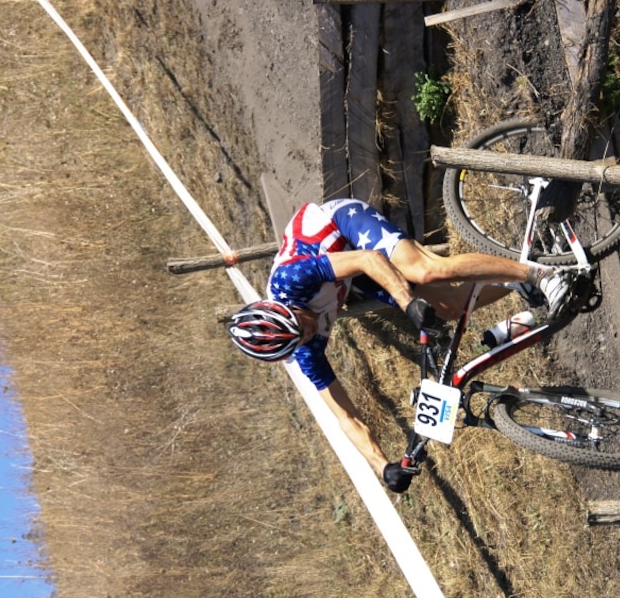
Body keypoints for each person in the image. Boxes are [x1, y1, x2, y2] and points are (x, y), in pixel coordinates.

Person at [228, 198, 574, 493]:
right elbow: (345, 417)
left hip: (340, 229)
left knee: (425, 271)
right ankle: (528, 284)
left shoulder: (291, 280)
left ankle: (538, 275)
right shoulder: (304, 351)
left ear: (283, 308)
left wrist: (407, 303)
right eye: (300, 339)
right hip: (349, 278)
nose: (308, 332)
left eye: (301, 325)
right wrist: (382, 467)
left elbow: (368, 260)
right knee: (450, 308)